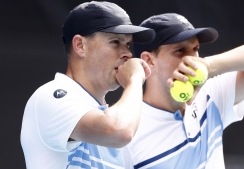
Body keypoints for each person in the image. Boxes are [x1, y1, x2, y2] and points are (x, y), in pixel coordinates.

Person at [122, 13, 244, 169]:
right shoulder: (127, 129)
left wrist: (210, 65)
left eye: (195, 49)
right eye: (180, 50)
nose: (192, 59)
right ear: (148, 61)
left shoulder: (210, 94)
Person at [20, 1, 155, 169]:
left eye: (128, 44)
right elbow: (120, 131)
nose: (127, 53)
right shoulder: (49, 96)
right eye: (115, 42)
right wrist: (135, 79)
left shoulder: (113, 117)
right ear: (80, 45)